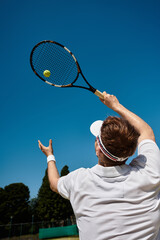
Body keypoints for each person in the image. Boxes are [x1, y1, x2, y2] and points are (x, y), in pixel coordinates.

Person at [38, 92, 160, 240]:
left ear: (98, 149)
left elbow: (54, 183)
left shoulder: (79, 180)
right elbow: (146, 132)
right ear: (132, 150)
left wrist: (50, 155)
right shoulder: (150, 172)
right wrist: (116, 105)